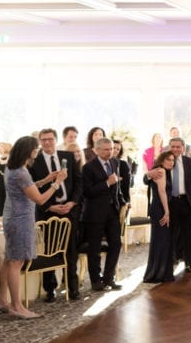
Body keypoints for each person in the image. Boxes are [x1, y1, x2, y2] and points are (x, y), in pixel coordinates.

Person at [0, 135, 66, 319]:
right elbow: (40, 199)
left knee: (9, 260)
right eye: (36, 148)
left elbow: (27, 188)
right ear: (29, 151)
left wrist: (45, 180)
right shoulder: (21, 172)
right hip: (20, 220)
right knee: (16, 262)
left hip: (13, 217)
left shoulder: (13, 168)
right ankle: (17, 306)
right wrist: (57, 184)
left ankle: (2, 300)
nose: (38, 151)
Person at [29, 128, 82, 301]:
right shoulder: (33, 163)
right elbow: (33, 190)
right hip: (47, 212)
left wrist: (72, 203)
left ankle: (72, 288)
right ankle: (50, 289)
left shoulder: (67, 156)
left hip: (69, 210)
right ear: (39, 142)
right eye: (43, 140)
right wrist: (50, 208)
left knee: (70, 251)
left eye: (50, 139)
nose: (47, 142)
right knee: (50, 251)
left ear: (56, 140)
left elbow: (78, 183)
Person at [147, 137, 191, 273]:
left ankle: (190, 263)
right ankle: (170, 262)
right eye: (173, 146)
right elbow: (148, 179)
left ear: (183, 148)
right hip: (169, 204)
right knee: (170, 234)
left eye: (178, 146)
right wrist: (147, 175)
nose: (176, 149)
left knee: (189, 235)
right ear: (169, 147)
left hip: (187, 202)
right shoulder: (163, 161)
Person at [81, 138, 127, 292]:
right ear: (97, 150)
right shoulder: (88, 167)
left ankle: (109, 278)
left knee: (116, 243)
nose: (110, 151)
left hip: (112, 211)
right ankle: (96, 280)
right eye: (106, 149)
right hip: (94, 213)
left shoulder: (115, 163)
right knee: (94, 248)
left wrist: (122, 202)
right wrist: (107, 183)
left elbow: (117, 186)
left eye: (112, 148)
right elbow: (87, 192)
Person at [143, 151, 176, 283]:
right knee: (161, 240)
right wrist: (167, 211)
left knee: (162, 240)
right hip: (160, 209)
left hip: (160, 207)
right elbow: (162, 192)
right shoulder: (161, 171)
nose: (171, 162)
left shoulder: (161, 171)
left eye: (173, 160)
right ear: (162, 160)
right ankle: (158, 273)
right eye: (168, 159)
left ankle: (161, 272)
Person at [0, 142, 11, 218]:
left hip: (7, 189)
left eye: (0, 147)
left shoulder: (11, 159)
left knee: (7, 210)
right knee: (0, 210)